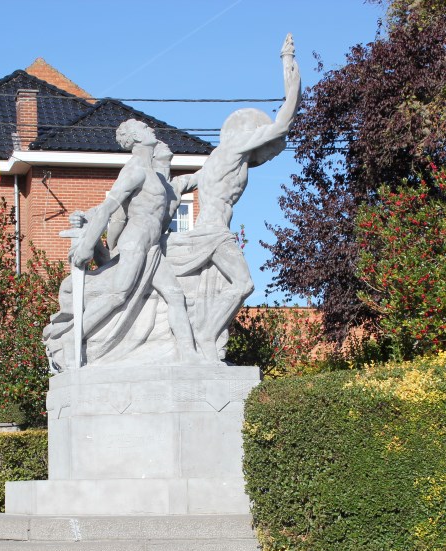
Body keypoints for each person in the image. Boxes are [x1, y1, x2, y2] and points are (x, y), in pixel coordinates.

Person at [165, 34, 301, 361]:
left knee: (217, 288)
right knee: (243, 284)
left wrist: (163, 196)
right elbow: (283, 122)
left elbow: (183, 184)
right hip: (214, 233)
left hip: (203, 231)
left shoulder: (214, 160)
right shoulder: (232, 149)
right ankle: (206, 335)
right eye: (266, 152)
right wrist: (289, 66)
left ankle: (203, 337)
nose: (265, 157)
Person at [62, 119, 197, 363]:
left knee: (175, 295)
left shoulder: (152, 172)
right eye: (145, 129)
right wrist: (87, 244)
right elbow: (109, 207)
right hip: (135, 243)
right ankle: (72, 339)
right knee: (118, 295)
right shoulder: (135, 169)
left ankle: (189, 355)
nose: (151, 130)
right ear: (135, 138)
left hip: (153, 246)